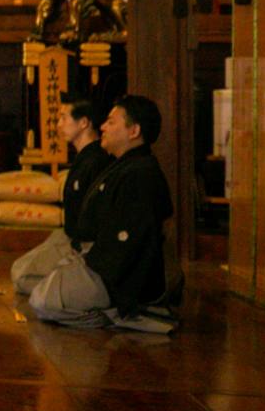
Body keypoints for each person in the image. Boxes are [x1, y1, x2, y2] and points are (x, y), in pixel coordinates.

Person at [26, 94, 176, 332]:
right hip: (96, 258)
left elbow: (129, 243)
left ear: (134, 130)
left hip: (116, 274)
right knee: (39, 288)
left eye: (111, 122)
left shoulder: (140, 173)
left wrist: (95, 270)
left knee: (43, 302)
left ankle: (117, 315)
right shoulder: (123, 165)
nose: (103, 127)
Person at [10, 97, 113, 294]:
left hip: (81, 244)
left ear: (83, 123)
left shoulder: (96, 160)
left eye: (64, 118)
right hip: (68, 235)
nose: (58, 125)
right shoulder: (84, 157)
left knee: (24, 277)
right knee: (18, 270)